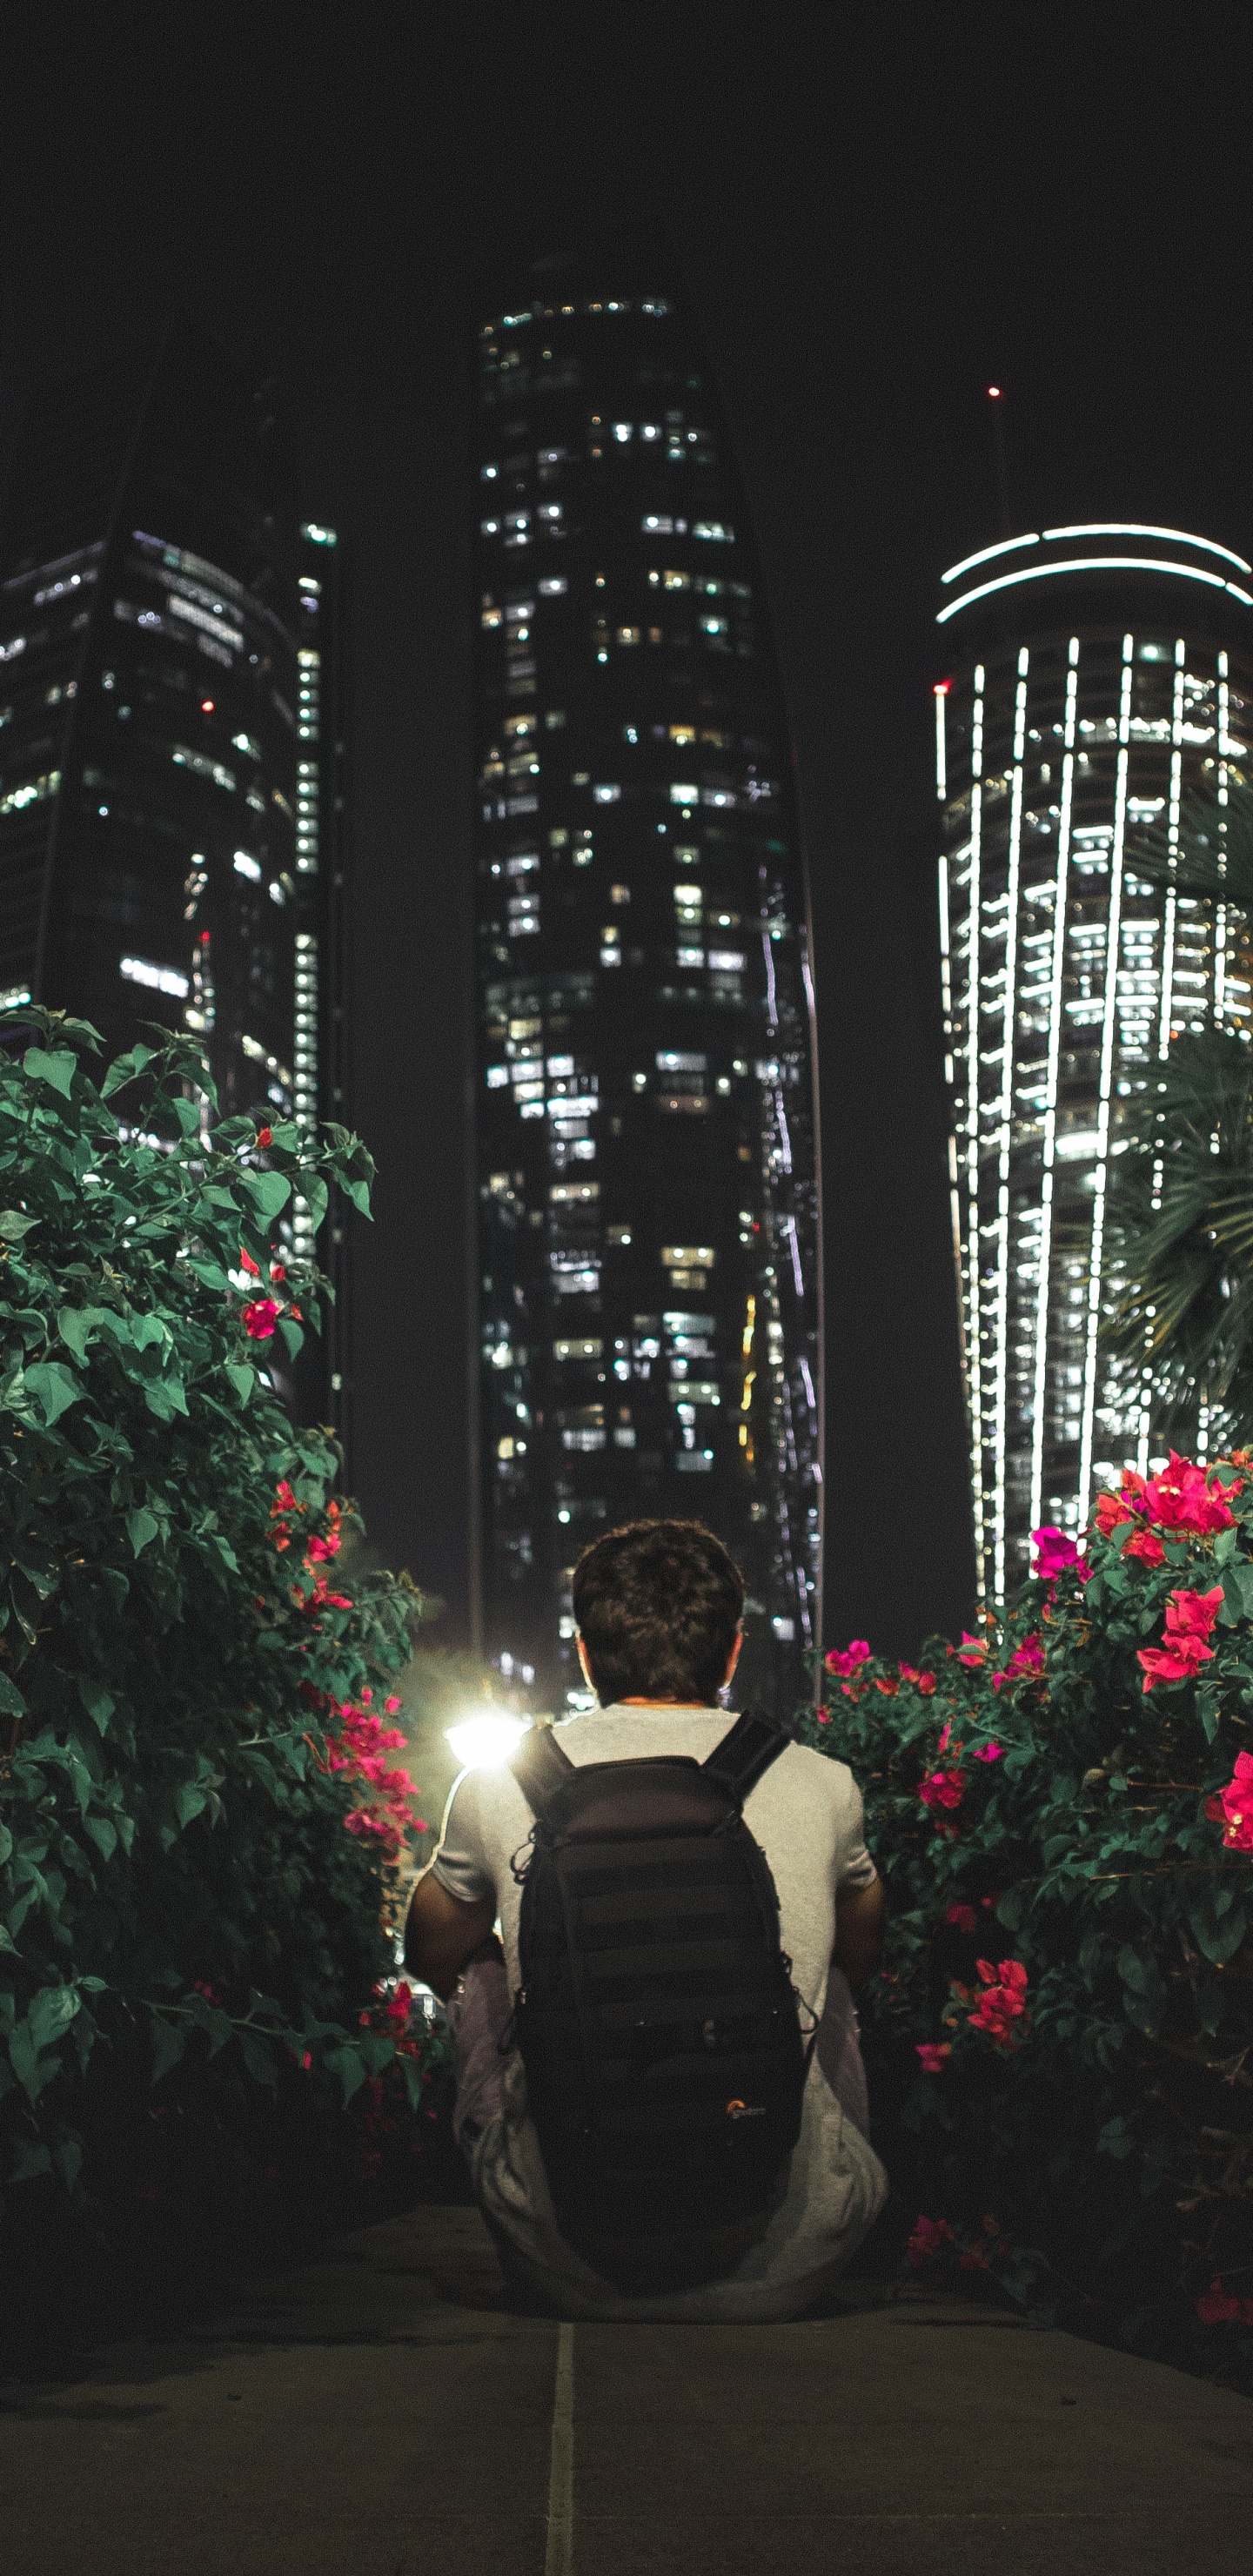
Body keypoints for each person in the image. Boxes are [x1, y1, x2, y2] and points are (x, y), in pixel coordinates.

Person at [405, 1519, 888, 2319]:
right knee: (827, 1967)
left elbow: (431, 1953)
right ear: (732, 1652)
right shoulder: (823, 1782)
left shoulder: (501, 1784)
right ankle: (804, 2186)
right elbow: (864, 1955)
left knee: (482, 1966)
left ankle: (539, 2178)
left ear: (585, 1652)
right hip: (798, 2264)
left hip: (564, 2261)